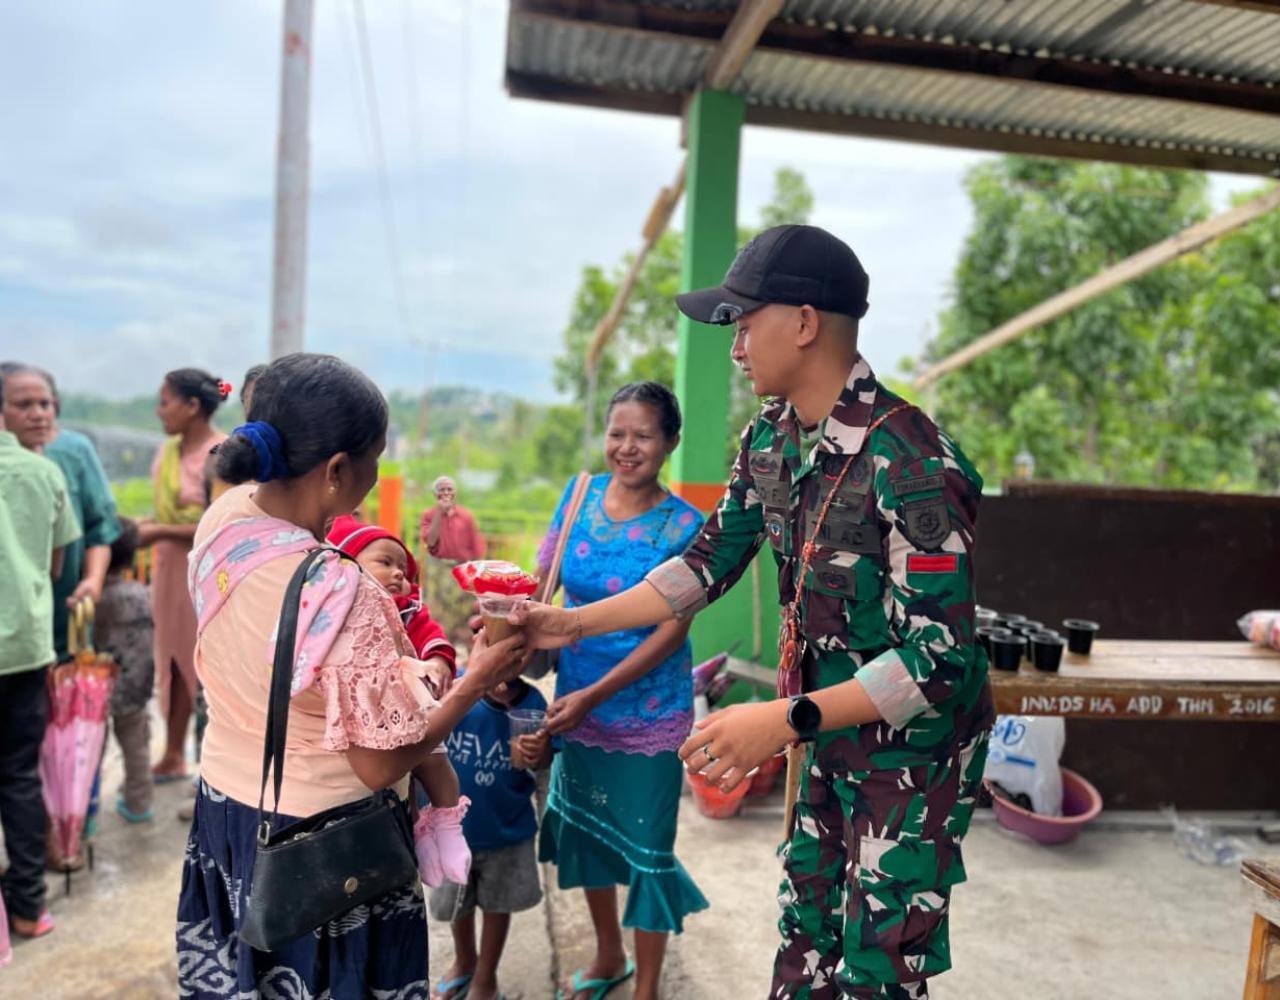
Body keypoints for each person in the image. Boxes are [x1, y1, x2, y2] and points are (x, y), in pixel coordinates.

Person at [514, 225, 992, 1000]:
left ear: (804, 323)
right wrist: (568, 623)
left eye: (744, 321)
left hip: (909, 760)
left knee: (876, 969)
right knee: (804, 937)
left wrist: (784, 720)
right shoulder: (770, 440)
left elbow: (936, 665)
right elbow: (705, 563)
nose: (735, 346)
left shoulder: (913, 462)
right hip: (821, 730)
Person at [177, 352, 527, 997]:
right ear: (338, 471)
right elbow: (378, 762)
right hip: (323, 846)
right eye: (376, 456)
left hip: (228, 812)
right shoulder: (343, 589)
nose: (376, 472)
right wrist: (475, 680)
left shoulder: (225, 520)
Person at [535, 382, 709, 1000]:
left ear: (670, 443)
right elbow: (542, 583)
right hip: (574, 698)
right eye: (617, 434)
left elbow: (671, 628)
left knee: (647, 847)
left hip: (650, 712)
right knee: (589, 832)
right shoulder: (578, 495)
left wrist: (592, 695)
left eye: (642, 436)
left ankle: (649, 986)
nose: (626, 448)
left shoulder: (688, 525)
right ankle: (610, 955)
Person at [326, 514, 471, 887]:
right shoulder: (338, 612)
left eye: (404, 570)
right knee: (399, 788)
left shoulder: (409, 609)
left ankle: (448, 825)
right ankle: (420, 836)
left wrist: (438, 663)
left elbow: (434, 638)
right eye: (385, 563)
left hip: (415, 709)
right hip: (374, 721)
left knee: (436, 764)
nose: (398, 576)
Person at [0, 376, 82, 941]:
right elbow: (57, 568)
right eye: (24, 403)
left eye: (45, 403)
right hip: (23, 646)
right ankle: (28, 909)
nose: (38, 413)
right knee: (18, 778)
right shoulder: (45, 472)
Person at [428, 675, 552, 1000]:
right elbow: (427, 732)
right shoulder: (459, 689)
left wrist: (541, 752)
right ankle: (465, 961)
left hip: (506, 832)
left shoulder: (534, 703)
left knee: (499, 905)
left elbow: (544, 764)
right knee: (457, 903)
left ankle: (486, 978)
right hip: (453, 831)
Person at [137, 368, 227, 782]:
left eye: (165, 402)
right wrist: (147, 525)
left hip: (209, 571)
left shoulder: (222, 451)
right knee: (171, 659)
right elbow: (167, 513)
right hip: (169, 569)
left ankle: (211, 762)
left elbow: (224, 518)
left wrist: (157, 531)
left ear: (192, 406)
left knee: (211, 663)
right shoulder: (167, 453)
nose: (159, 412)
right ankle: (173, 753)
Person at [95, 517, 156, 823]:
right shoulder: (142, 593)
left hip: (98, 688)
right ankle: (139, 802)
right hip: (137, 683)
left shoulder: (91, 598)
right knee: (137, 744)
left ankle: (87, 806)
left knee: (93, 746)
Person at [420, 475, 487, 648]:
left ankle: (463, 650)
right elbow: (430, 541)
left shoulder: (466, 516)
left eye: (449, 489)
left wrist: (479, 570)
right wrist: (439, 515)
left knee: (463, 611)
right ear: (436, 494)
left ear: (454, 492)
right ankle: (441, 645)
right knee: (437, 612)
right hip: (438, 568)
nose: (446, 492)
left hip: (462, 568)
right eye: (441, 489)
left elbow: (476, 544)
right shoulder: (429, 515)